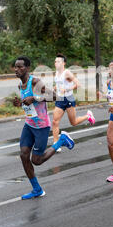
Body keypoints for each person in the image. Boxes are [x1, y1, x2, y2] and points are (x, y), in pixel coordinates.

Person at [13, 56, 75, 200]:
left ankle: (61, 140)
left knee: (37, 160)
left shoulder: (35, 82)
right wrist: (20, 103)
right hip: (29, 124)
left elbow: (54, 96)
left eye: (20, 67)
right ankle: (37, 189)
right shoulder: (20, 86)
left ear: (27, 68)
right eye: (15, 67)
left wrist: (34, 98)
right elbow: (27, 103)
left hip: (41, 126)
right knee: (23, 155)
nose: (17, 69)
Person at [52, 53, 95, 152]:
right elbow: (59, 85)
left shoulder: (67, 73)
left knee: (73, 122)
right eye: (55, 61)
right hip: (60, 100)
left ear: (64, 63)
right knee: (55, 122)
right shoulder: (56, 73)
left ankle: (88, 116)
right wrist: (54, 88)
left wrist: (66, 89)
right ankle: (56, 144)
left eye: (58, 61)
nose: (56, 63)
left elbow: (78, 84)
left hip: (68, 99)